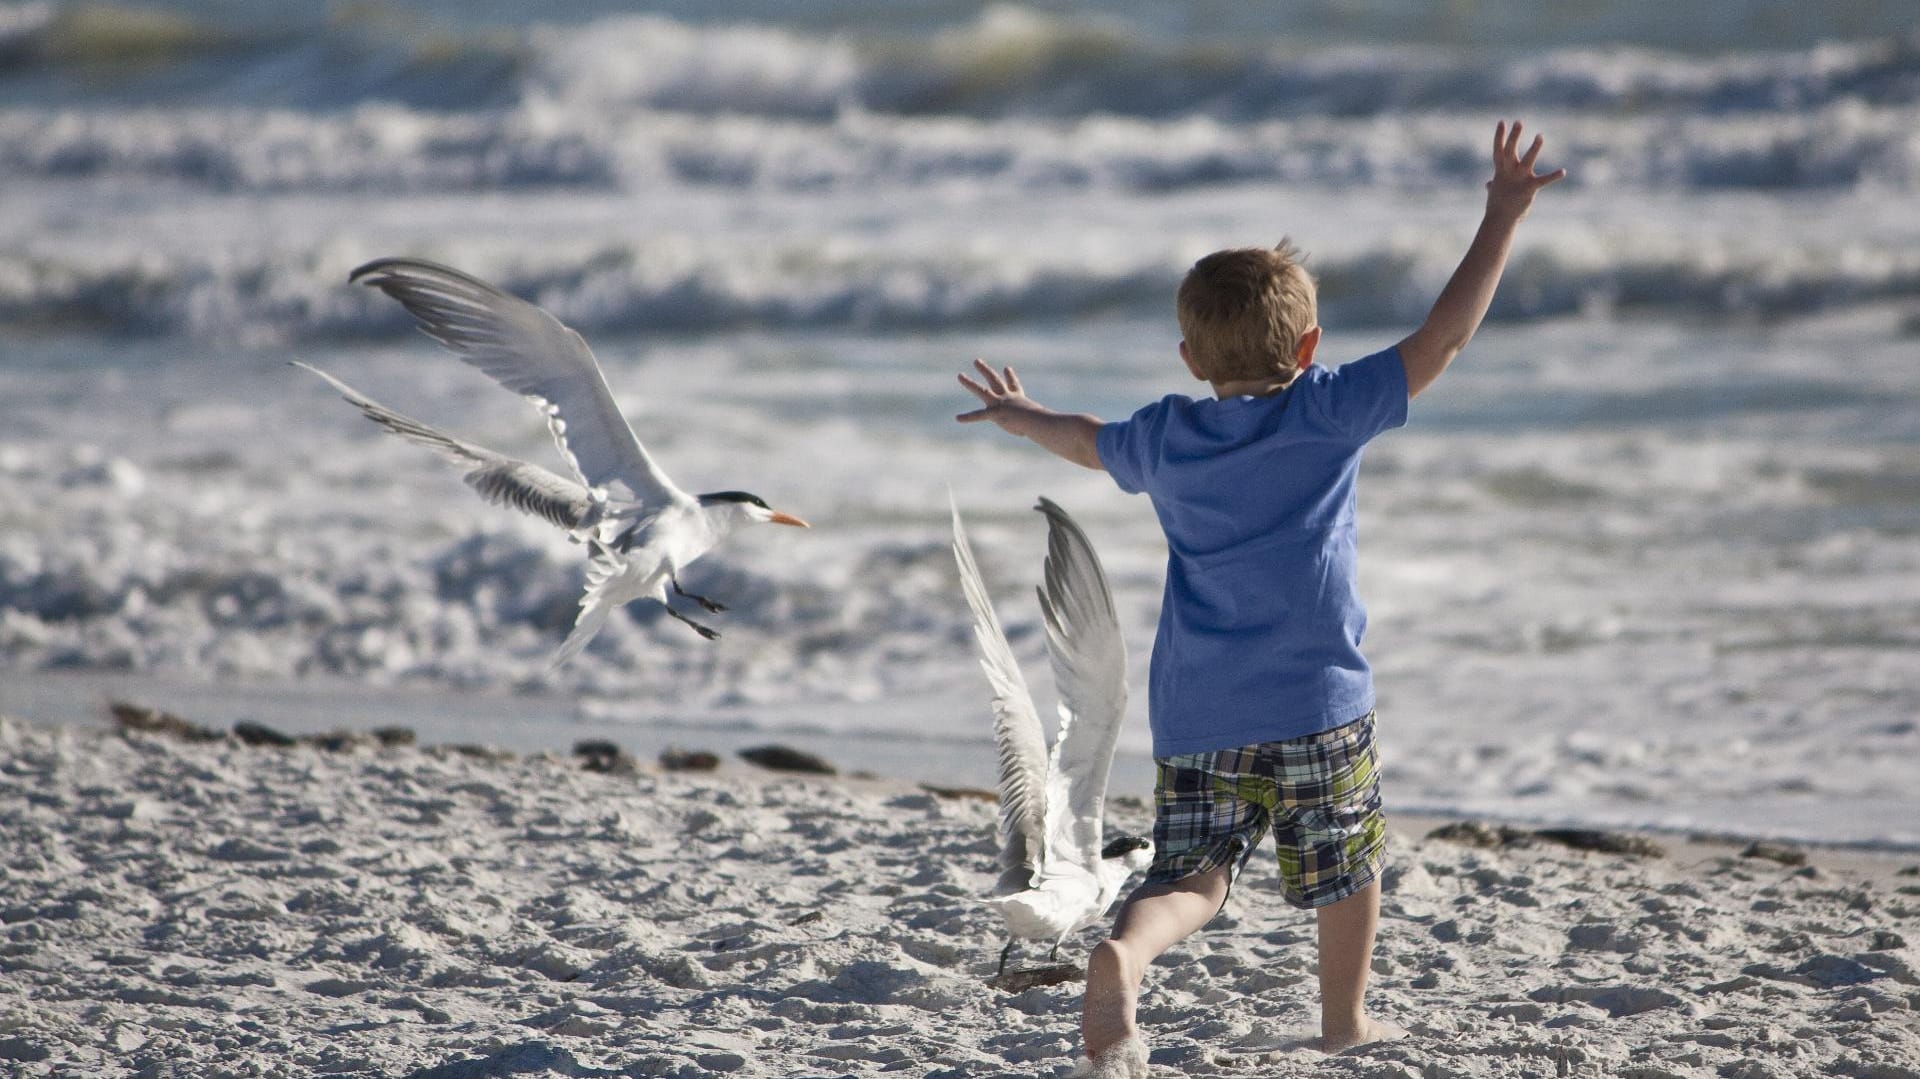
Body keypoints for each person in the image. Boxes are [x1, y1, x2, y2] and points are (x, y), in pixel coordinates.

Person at [954, 121, 1564, 1074]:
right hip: (1319, 704)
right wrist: (1500, 216)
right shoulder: (1328, 409)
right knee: (1346, 869)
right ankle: (1344, 1025)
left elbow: (1083, 436)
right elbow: (1442, 337)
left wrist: (1017, 415)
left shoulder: (1165, 436)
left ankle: (1126, 951)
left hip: (1201, 711)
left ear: (1191, 360)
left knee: (1192, 878)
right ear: (1311, 345)